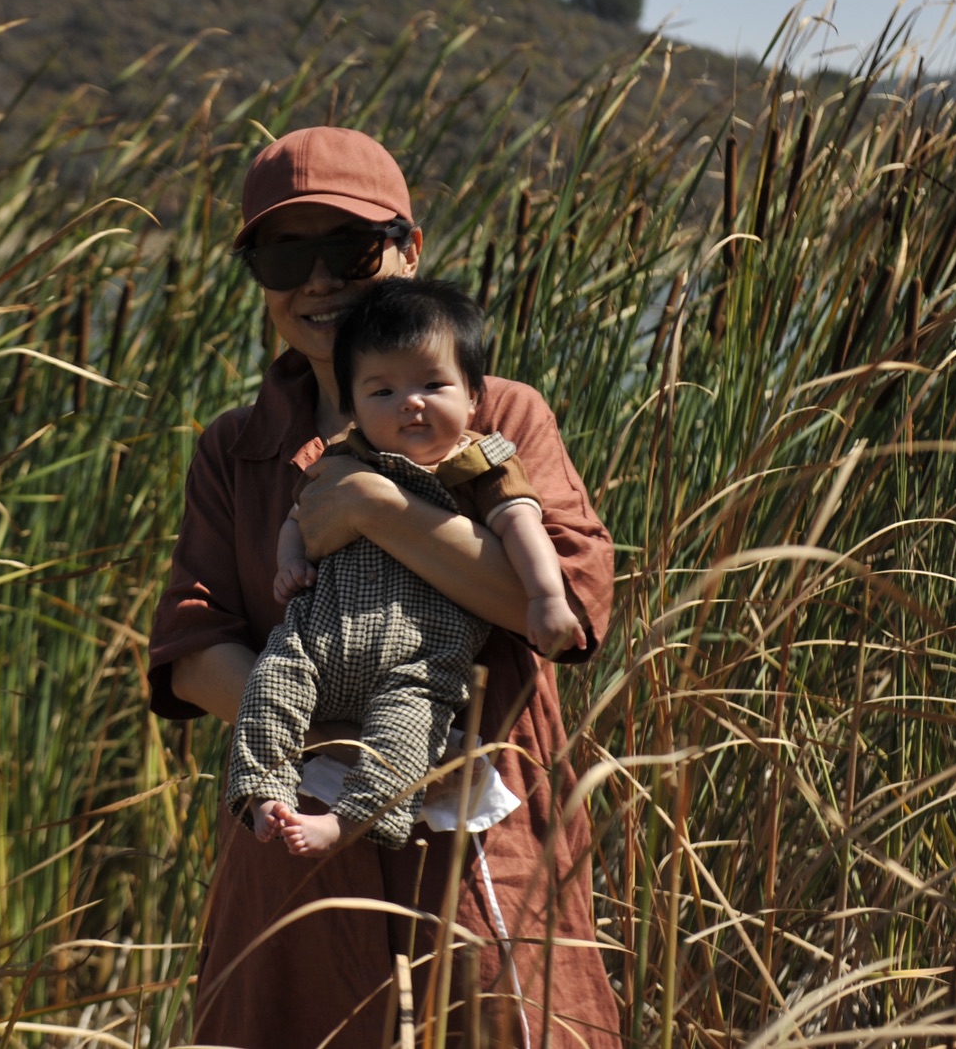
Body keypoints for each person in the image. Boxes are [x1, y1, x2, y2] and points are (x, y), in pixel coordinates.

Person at [149, 126, 620, 1048]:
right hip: (292, 838)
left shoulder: (500, 416)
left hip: (476, 827)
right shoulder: (235, 448)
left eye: (350, 250)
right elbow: (191, 646)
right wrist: (333, 749)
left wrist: (372, 506)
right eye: (287, 253)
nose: (319, 281)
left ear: (409, 252)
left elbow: (566, 606)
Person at [228, 278, 584, 856]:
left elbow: (524, 529)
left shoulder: (481, 463)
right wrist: (289, 561)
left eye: (432, 385)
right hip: (319, 637)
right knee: (269, 685)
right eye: (383, 391)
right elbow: (297, 517)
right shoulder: (343, 455)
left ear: (473, 396)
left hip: (420, 657)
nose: (409, 402)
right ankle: (263, 791)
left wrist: (546, 597)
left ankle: (348, 823)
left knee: (407, 732)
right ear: (354, 407)